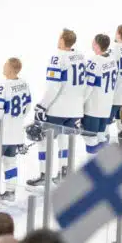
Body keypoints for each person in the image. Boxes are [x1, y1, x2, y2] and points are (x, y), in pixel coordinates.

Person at [26, 29, 84, 187]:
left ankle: (44, 175)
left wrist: (42, 106)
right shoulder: (80, 56)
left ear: (63, 40)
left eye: (59, 37)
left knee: (43, 140)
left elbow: (54, 87)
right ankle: (63, 172)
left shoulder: (58, 58)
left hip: (58, 109)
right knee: (64, 138)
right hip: (75, 109)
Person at [0, 57, 30, 205]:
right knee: (10, 162)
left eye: (6, 65)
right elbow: (27, 106)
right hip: (16, 133)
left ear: (11, 69)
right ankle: (10, 192)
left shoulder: (2, 87)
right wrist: (16, 120)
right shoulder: (24, 84)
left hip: (1, 134)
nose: (3, 67)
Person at [81, 35, 116, 155]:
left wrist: (80, 103)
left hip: (93, 108)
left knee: (90, 138)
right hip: (106, 107)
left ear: (96, 45)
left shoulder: (94, 61)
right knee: (101, 136)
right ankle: (105, 162)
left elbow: (88, 86)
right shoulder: (112, 59)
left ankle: (93, 166)